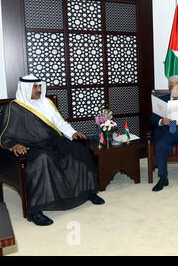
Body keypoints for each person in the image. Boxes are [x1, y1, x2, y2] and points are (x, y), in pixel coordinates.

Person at [0, 75, 104, 226]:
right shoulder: (13, 108)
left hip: (54, 141)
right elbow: (5, 134)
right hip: (32, 147)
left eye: (40, 86)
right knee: (43, 159)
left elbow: (60, 123)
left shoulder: (47, 102)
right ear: (25, 88)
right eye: (35, 87)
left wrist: (72, 133)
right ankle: (35, 211)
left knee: (79, 150)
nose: (39, 90)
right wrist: (14, 145)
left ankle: (88, 192)